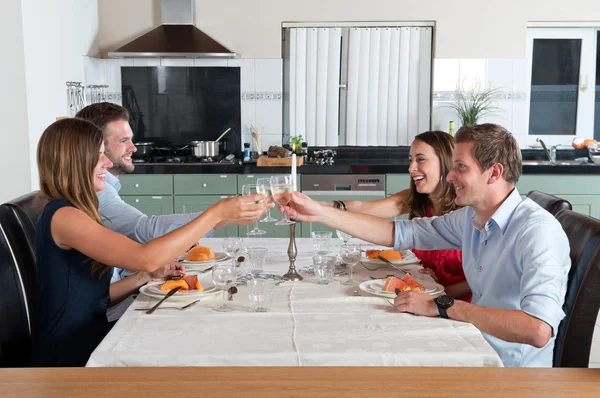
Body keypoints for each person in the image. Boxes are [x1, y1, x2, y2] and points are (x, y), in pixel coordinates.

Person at [283, 123, 570, 367]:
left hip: (506, 369)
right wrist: (318, 213)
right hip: (471, 343)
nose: (449, 176)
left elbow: (537, 330)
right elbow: (396, 233)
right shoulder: (472, 218)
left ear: (493, 173)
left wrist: (443, 306)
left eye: (461, 167)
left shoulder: (537, 232)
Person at [31, 118, 267, 366]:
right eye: (99, 155)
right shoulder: (64, 217)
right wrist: (216, 214)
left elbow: (92, 298)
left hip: (89, 341)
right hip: (70, 358)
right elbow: (145, 256)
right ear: (74, 161)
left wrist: (147, 277)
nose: (108, 163)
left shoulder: (73, 212)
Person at [75, 103, 240, 320]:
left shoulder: (89, 196)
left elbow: (112, 276)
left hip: (112, 307)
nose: (133, 148)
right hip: (101, 324)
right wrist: (218, 215)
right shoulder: (85, 203)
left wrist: (146, 275)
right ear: (88, 151)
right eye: (123, 141)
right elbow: (146, 233)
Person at [318, 131, 469, 300]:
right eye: (410, 160)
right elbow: (364, 207)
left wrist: (441, 293)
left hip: (460, 306)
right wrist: (326, 206)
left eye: (420, 159)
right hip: (426, 297)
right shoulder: (416, 199)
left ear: (445, 162)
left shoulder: (468, 211)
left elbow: (485, 278)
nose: (411, 168)